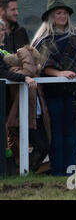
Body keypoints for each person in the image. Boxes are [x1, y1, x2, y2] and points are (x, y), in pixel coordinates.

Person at [32, 0, 76, 176]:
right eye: (58, 13)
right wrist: (59, 74)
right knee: (56, 134)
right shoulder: (43, 40)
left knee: (72, 134)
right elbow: (40, 66)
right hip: (51, 94)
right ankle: (57, 173)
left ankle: (70, 173)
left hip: (74, 95)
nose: (62, 16)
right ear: (51, 17)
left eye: (65, 13)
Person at [0, 20, 49, 173]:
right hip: (14, 109)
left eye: (2, 30)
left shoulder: (5, 52)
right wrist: (24, 77)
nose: (1, 33)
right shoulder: (6, 56)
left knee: (43, 146)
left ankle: (22, 172)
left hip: (21, 107)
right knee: (39, 146)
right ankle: (21, 172)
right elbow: (4, 72)